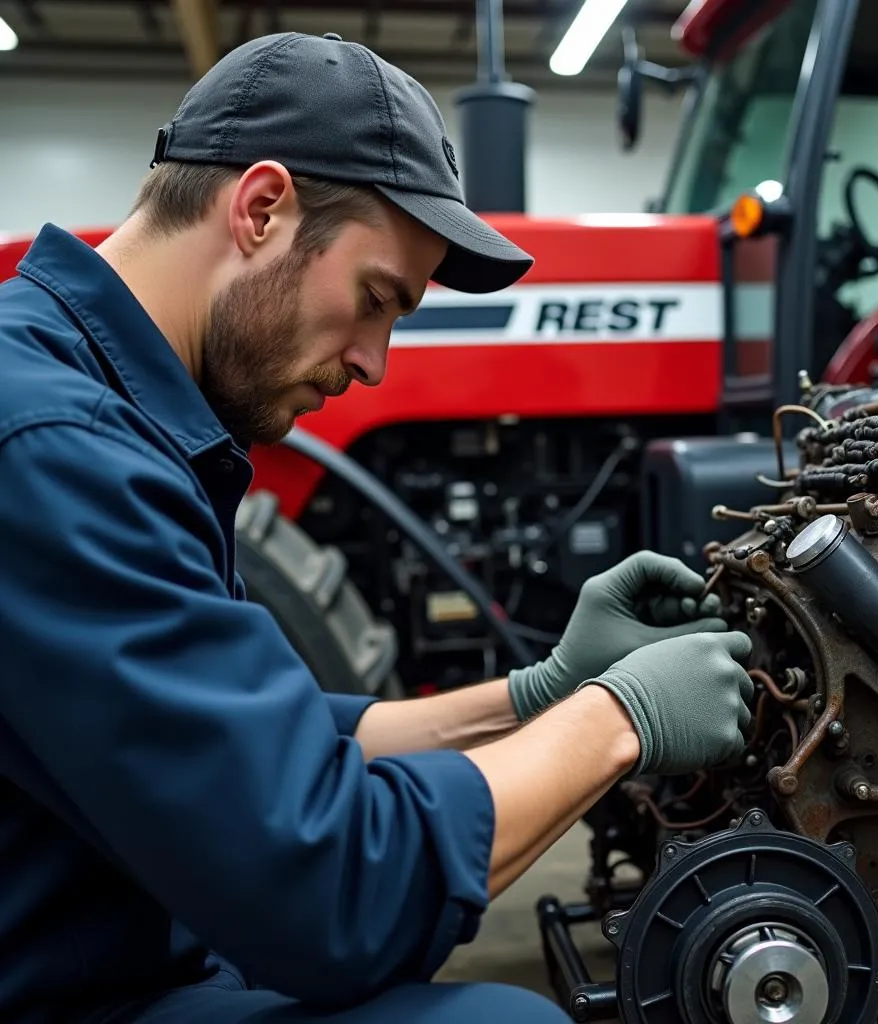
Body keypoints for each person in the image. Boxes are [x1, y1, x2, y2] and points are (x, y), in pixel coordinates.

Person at [0, 31, 755, 1024]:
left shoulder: (92, 400)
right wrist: (617, 720)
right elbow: (328, 893)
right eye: (376, 300)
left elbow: (258, 747)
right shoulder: (54, 445)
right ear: (262, 208)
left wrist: (536, 695)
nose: (374, 362)